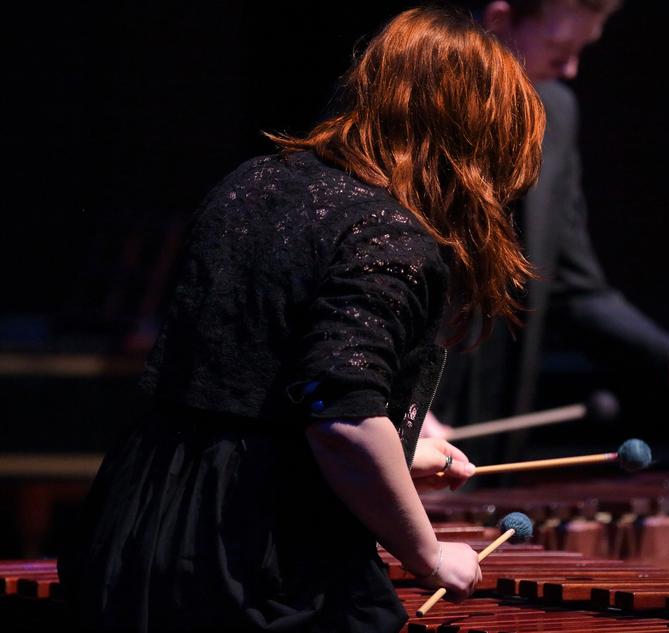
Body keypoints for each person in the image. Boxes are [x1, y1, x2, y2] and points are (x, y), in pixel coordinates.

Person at [58, 6, 545, 632]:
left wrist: (393, 455)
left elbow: (262, 381)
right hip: (253, 557)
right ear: (470, 138)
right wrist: (427, 554)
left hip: (141, 516)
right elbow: (340, 418)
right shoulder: (389, 234)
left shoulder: (251, 182)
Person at [424, 0, 669, 443]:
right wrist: (393, 409)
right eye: (560, 47)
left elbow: (570, 283)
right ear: (498, 21)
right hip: (391, 419)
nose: (571, 68)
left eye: (582, 49)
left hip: (485, 424)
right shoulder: (397, 110)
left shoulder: (555, 115)